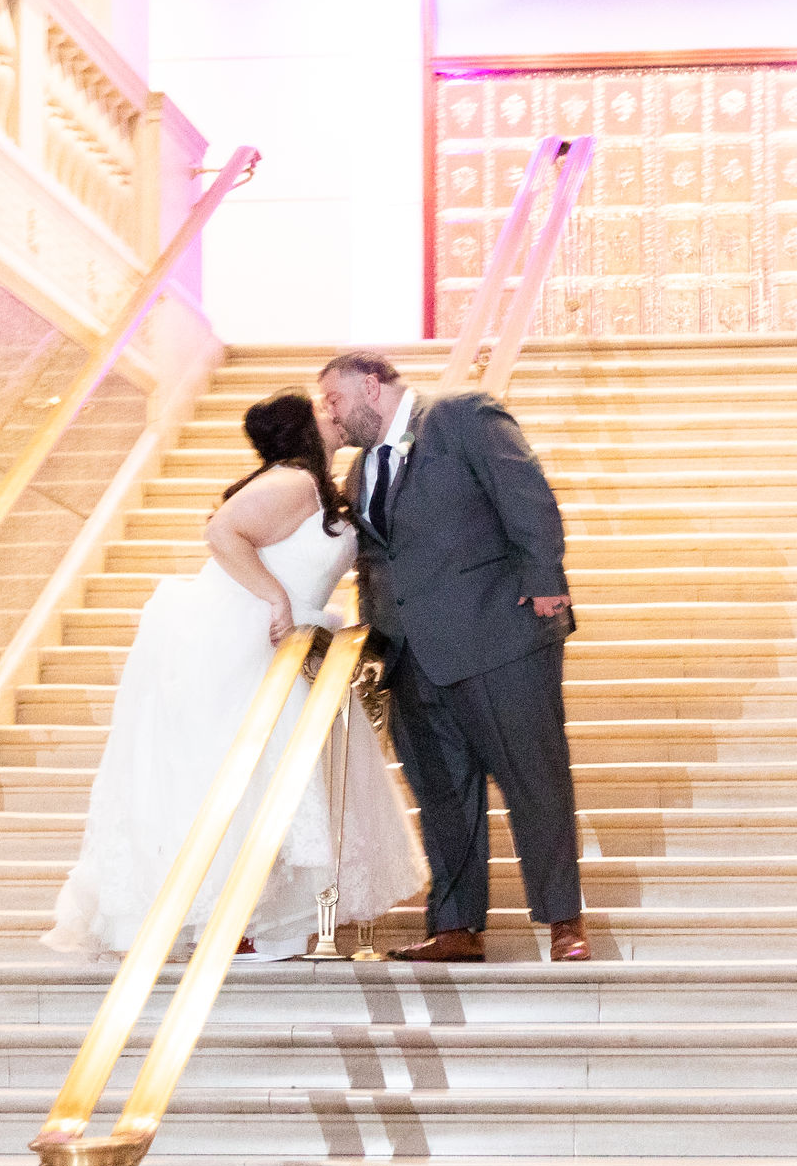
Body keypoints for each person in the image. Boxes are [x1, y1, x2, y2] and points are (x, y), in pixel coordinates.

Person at [42, 389, 425, 963]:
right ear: (303, 428)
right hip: (254, 637)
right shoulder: (294, 481)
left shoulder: (312, 485)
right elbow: (223, 532)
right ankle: (235, 915)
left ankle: (255, 917)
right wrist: (275, 599)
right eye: (322, 409)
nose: (333, 413)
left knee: (272, 777)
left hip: (292, 638)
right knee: (250, 774)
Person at [318, 351, 590, 964]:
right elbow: (378, 562)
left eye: (333, 400)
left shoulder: (460, 417)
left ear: (370, 385)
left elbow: (527, 495)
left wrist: (546, 581)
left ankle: (563, 921)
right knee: (441, 793)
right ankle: (456, 926)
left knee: (534, 780)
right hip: (412, 657)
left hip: (501, 638)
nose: (329, 415)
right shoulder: (363, 469)